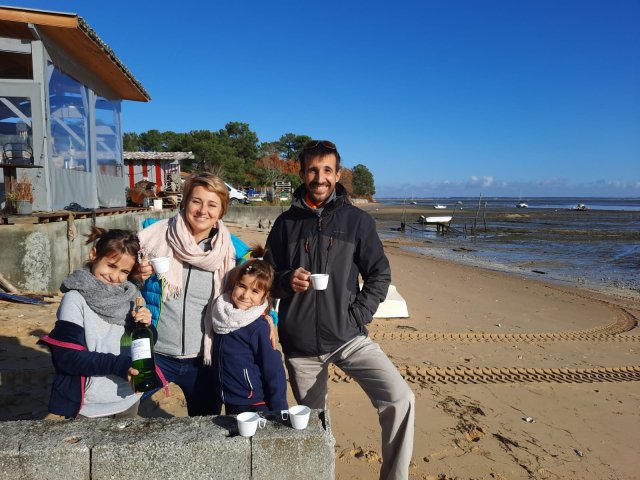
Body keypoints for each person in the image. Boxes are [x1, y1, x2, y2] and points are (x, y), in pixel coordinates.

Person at [265, 140, 415, 480]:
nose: (320, 177)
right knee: (313, 428)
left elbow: (379, 273)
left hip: (349, 336)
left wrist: (358, 314)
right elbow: (266, 279)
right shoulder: (285, 224)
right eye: (313, 170)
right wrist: (287, 280)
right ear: (302, 173)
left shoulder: (357, 221)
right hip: (300, 344)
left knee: (401, 399)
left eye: (327, 170)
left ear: (337, 174)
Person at [136, 172, 238, 416]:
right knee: (127, 415)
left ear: (222, 210)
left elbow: (255, 294)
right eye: (196, 201)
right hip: (154, 352)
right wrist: (133, 273)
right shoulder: (153, 236)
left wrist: (270, 319)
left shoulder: (232, 251)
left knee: (205, 426)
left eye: (212, 204)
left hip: (203, 359)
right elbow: (112, 271)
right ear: (185, 202)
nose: (203, 210)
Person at [39, 227, 153, 419]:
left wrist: (147, 327)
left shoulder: (132, 295)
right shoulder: (75, 299)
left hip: (129, 398)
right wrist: (120, 366)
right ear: (94, 255)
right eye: (110, 265)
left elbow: (143, 343)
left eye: (124, 271)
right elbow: (67, 357)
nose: (115, 276)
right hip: (89, 405)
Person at [211, 247, 288, 415]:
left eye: (255, 291)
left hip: (254, 402)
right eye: (241, 286)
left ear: (264, 296)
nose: (245, 295)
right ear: (234, 284)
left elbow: (274, 370)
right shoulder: (220, 314)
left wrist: (280, 409)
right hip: (229, 399)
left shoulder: (259, 326)